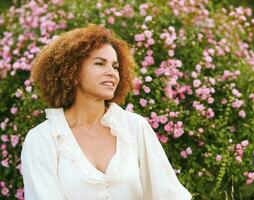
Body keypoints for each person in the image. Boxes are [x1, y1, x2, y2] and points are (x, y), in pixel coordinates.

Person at [20, 23, 192, 200]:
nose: (112, 73)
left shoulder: (135, 128)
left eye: (115, 66)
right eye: (100, 63)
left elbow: (166, 193)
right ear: (72, 72)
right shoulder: (42, 139)